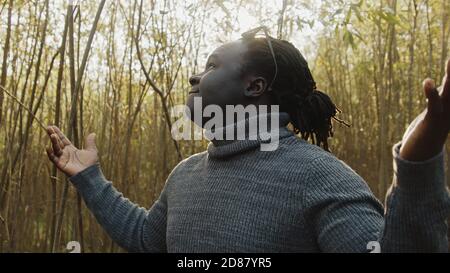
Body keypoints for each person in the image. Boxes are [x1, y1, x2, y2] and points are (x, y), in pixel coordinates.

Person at [46, 28, 450, 252]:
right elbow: (148, 239)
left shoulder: (320, 178)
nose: (194, 77)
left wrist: (419, 164)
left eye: (211, 66)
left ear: (255, 86)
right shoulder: (185, 175)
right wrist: (90, 178)